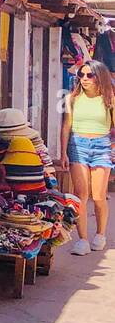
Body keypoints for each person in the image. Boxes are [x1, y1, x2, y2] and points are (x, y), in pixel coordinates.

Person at [59, 60, 115, 254]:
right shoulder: (72, 98)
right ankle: (82, 239)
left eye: (89, 75)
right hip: (78, 146)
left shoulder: (109, 98)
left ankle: (100, 235)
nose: (84, 79)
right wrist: (63, 152)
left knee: (99, 196)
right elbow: (66, 126)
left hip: (102, 146)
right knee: (81, 196)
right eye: (81, 75)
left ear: (99, 77)